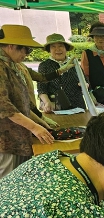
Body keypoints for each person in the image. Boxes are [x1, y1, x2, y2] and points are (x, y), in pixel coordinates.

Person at [0, 24, 75, 179]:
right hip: (6, 140)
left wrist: (40, 120)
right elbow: (5, 107)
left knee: (20, 180)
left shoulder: (13, 64)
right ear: (12, 46)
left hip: (20, 136)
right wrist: (35, 127)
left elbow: (22, 101)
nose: (27, 54)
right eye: (26, 50)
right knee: (7, 181)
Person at [38, 33, 86, 112]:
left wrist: (84, 85)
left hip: (78, 107)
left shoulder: (74, 63)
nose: (57, 49)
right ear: (49, 50)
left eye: (60, 46)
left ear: (65, 48)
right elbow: (41, 89)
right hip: (55, 108)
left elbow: (85, 81)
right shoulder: (44, 65)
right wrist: (47, 102)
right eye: (53, 46)